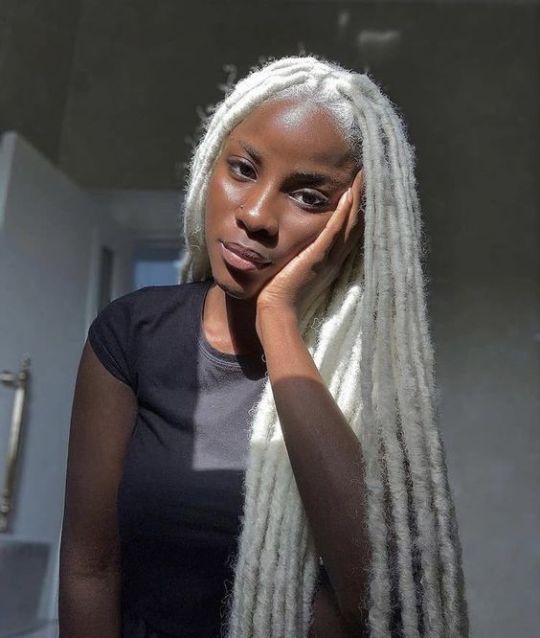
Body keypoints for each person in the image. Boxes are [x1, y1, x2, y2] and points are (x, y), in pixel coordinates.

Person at [59, 54, 469, 638]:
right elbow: (89, 568)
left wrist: (277, 319)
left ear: (356, 224)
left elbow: (378, 600)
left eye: (308, 197)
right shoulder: (133, 335)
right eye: (243, 169)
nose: (255, 215)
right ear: (211, 163)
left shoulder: (370, 380)